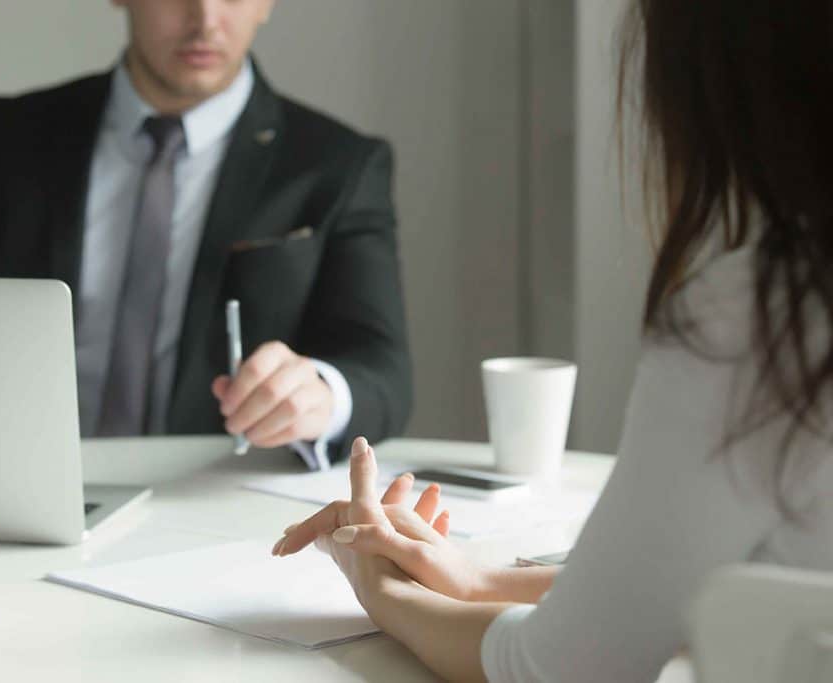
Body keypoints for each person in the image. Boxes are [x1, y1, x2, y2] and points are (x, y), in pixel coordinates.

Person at [273, 0, 833, 679]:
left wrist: (379, 587)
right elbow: (728, 579)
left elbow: (557, 667)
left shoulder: (762, 314)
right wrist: (479, 580)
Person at [0, 0, 411, 469]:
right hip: (15, 478)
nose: (205, 20)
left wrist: (320, 394)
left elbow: (383, 370)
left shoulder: (338, 164)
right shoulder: (9, 136)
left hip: (211, 500)